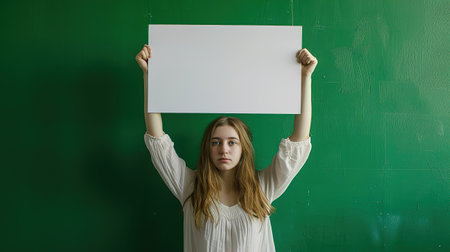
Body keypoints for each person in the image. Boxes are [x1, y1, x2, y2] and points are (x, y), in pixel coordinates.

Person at [136, 44, 317, 252]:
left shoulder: (262, 188)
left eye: (232, 142)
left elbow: (298, 142)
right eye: (216, 142)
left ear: (243, 149)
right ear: (207, 148)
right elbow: (158, 141)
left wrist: (305, 77)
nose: (224, 149)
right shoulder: (189, 187)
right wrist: (149, 76)